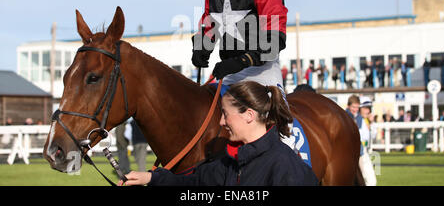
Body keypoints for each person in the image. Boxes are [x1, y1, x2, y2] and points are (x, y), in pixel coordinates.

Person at [119, 81, 318, 186]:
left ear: (249, 115)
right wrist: (151, 178)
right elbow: (193, 184)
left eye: (225, 114)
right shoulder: (229, 162)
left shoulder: (286, 166)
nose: (221, 122)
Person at [345, 95, 377, 186]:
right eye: (365, 108)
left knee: (369, 181)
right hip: (355, 154)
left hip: (362, 153)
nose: (368, 111)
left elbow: (372, 137)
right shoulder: (355, 118)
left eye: (369, 108)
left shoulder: (363, 120)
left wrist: (371, 124)